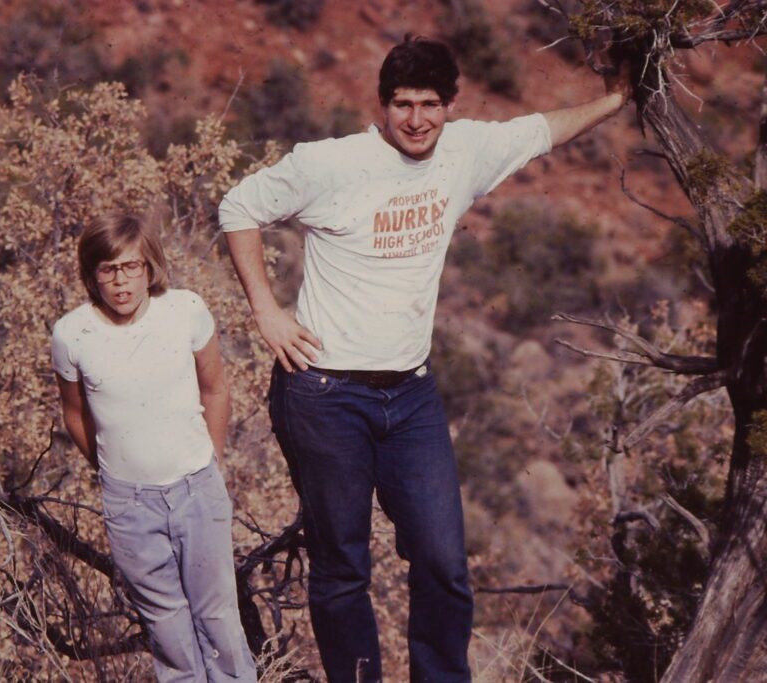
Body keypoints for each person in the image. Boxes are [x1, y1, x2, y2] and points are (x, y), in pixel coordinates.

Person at [218, 36, 629, 683]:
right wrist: (267, 311)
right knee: (343, 566)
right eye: (402, 104)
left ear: (450, 106)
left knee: (442, 557)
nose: (416, 119)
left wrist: (616, 98)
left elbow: (543, 130)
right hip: (325, 395)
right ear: (383, 106)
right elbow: (238, 207)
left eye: (430, 105)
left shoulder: (465, 151)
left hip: (410, 396)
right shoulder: (331, 163)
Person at [51, 214, 257, 682]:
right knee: (166, 626)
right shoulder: (71, 334)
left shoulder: (184, 310)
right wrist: (110, 474)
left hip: (196, 487)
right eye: (107, 269)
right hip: (130, 503)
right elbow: (75, 413)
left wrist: (212, 464)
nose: (120, 281)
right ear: (91, 275)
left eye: (130, 267)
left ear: (150, 268)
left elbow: (216, 388)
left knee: (218, 615)